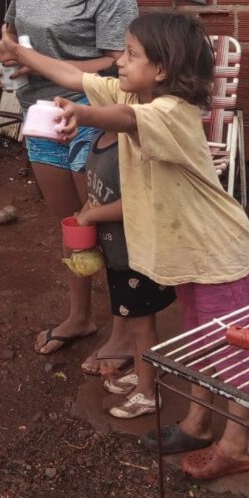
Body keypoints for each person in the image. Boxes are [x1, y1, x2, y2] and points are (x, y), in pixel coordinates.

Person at [0, 12, 249, 479]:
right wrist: (18, 54)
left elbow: (127, 118)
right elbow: (75, 75)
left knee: (231, 350)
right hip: (189, 252)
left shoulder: (171, 113)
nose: (120, 62)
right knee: (202, 342)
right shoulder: (133, 90)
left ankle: (236, 444)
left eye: (131, 55)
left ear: (163, 70)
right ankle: (197, 423)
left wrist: (83, 115)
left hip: (217, 252)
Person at [0, 0, 139, 371]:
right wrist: (2, 55)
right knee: (73, 223)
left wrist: (45, 65)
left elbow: (119, 63)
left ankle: (122, 331)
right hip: (39, 114)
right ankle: (80, 317)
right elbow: (11, 31)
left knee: (107, 226)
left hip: (92, 115)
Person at [74, 128, 177, 418]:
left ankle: (147, 392)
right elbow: (96, 192)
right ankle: (141, 371)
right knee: (132, 319)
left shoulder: (130, 147)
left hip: (137, 256)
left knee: (142, 324)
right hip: (117, 253)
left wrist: (91, 216)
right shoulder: (97, 140)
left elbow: (137, 202)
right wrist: (83, 214)